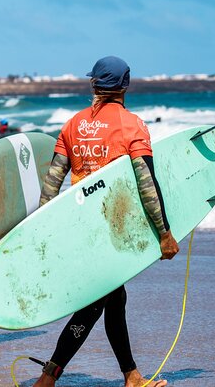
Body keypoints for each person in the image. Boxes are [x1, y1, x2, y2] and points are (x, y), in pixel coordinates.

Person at [33, 57, 179, 387]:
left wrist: (42, 230)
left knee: (115, 298)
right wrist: (164, 233)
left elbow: (52, 181)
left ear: (93, 85)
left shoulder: (72, 124)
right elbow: (147, 184)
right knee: (95, 304)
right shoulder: (133, 125)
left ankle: (132, 375)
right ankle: (48, 377)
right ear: (125, 86)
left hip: (77, 228)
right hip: (111, 232)